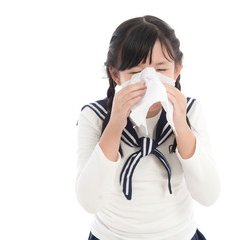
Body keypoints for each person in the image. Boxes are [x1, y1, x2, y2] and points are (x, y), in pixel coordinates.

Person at [75, 15, 221, 240]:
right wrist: (114, 125)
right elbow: (89, 201)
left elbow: (209, 195)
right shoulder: (94, 116)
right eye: (135, 73)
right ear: (116, 74)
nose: (150, 80)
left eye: (161, 69)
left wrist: (180, 126)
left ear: (177, 69)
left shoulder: (191, 110)